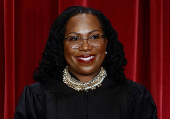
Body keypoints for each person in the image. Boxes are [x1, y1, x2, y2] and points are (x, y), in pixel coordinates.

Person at [14, 6, 157, 119]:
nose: (85, 47)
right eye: (74, 38)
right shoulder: (36, 97)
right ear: (61, 46)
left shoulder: (135, 96)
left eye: (94, 37)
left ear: (106, 43)